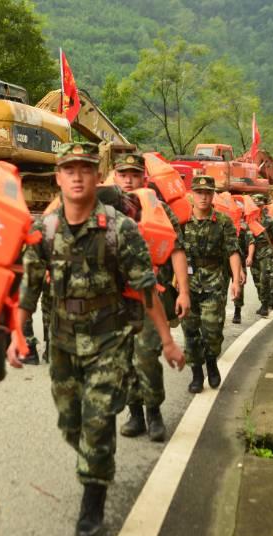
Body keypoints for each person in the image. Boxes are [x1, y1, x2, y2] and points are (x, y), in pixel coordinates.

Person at [7, 142, 185, 536]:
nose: (76, 176)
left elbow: (146, 289)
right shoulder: (44, 232)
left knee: (98, 419)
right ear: (58, 178)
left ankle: (93, 502)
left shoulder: (122, 230)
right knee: (71, 424)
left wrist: (168, 341)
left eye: (85, 169)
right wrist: (17, 334)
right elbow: (30, 287)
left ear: (94, 175)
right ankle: (96, 458)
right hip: (65, 343)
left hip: (109, 339)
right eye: (68, 169)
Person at [112, 152, 191, 442]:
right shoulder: (105, 208)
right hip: (115, 299)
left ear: (144, 178)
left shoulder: (157, 210)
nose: (129, 180)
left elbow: (177, 249)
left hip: (149, 296)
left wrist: (183, 291)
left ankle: (153, 411)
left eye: (134, 174)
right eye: (123, 174)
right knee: (122, 358)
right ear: (115, 176)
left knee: (146, 356)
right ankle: (134, 412)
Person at [181, 176, 243, 392]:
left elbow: (233, 251)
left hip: (214, 282)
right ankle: (197, 374)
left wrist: (236, 280)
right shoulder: (181, 219)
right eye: (199, 192)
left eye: (208, 193)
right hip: (186, 283)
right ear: (192, 194)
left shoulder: (223, 221)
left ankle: (211, 362)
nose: (203, 197)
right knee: (190, 332)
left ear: (213, 195)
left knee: (212, 331)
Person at [252, 194, 273, 317]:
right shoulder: (250, 220)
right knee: (256, 280)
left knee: (264, 279)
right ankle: (263, 300)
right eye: (255, 205)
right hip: (253, 252)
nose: (257, 207)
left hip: (266, 251)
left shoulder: (269, 220)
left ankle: (265, 305)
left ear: (263, 206)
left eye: (259, 205)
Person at [232, 199, 254, 324]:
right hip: (225, 260)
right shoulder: (224, 223)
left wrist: (249, 257)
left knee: (239, 284)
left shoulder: (244, 226)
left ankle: (237, 311)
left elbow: (251, 242)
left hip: (239, 259)